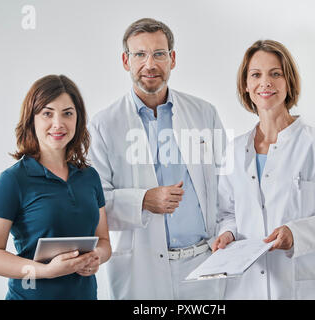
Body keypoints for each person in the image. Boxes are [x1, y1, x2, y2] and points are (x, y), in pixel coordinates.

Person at [211, 40, 315, 299]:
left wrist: (297, 233)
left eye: (275, 73)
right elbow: (226, 212)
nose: (266, 82)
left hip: (298, 288)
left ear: (288, 82)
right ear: (246, 86)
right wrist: (226, 233)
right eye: (256, 75)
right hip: (244, 289)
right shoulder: (234, 150)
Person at [88, 18, 227, 299]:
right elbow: (95, 203)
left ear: (172, 59)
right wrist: (143, 201)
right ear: (125, 61)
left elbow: (227, 185)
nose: (149, 64)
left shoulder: (204, 113)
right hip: (141, 270)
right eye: (139, 54)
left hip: (204, 264)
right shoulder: (103, 125)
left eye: (159, 54)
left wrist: (229, 232)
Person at [0, 75, 112, 300]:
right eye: (47, 114)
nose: (58, 124)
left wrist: (96, 256)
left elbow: (104, 242)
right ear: (32, 119)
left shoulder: (89, 177)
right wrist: (46, 271)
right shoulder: (13, 180)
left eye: (67, 113)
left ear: (78, 119)